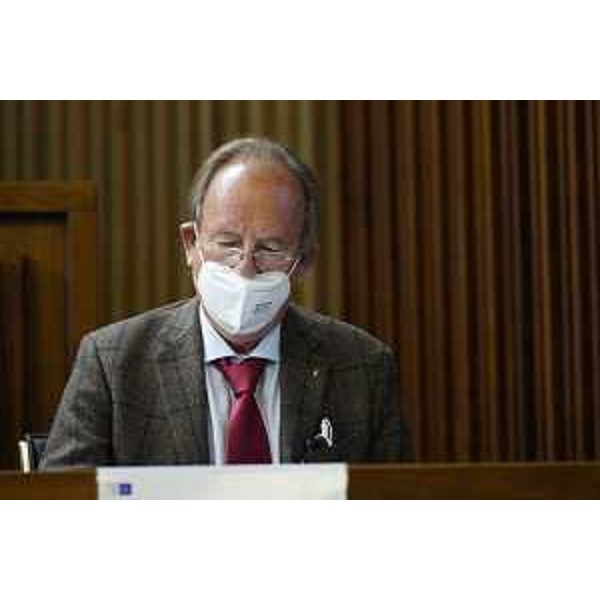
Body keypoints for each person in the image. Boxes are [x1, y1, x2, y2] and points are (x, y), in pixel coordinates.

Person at [41, 137, 411, 468]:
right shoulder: (113, 364)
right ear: (191, 245)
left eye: (270, 249)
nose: (245, 269)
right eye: (228, 244)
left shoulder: (362, 367)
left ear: (305, 262)